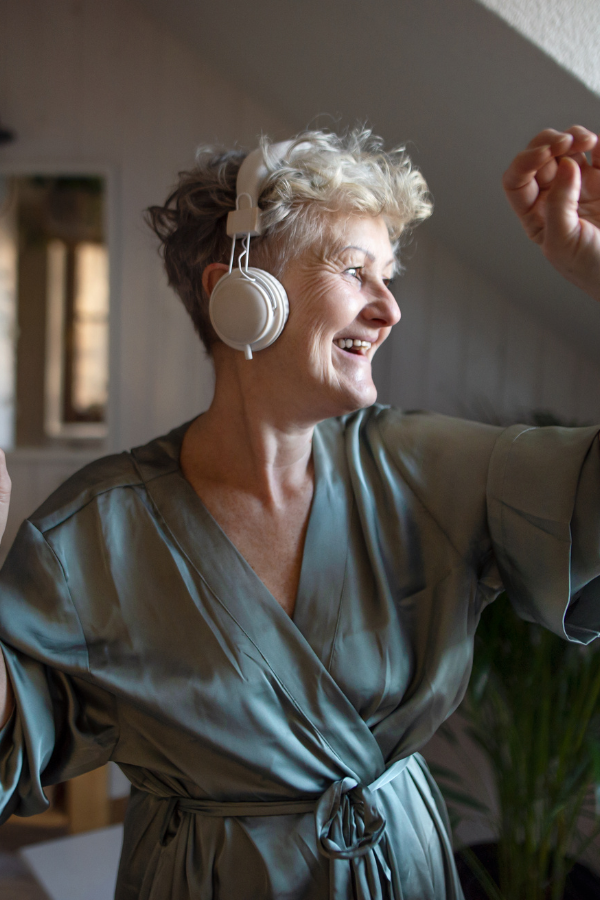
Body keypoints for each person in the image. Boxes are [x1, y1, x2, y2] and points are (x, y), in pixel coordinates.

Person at [0, 124, 598, 900]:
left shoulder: (431, 468)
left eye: (389, 278)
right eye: (356, 271)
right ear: (239, 295)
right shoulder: (92, 532)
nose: (389, 310)